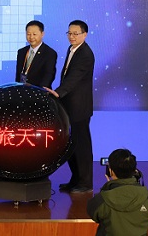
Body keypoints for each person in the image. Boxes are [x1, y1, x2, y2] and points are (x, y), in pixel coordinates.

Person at [45, 19, 95, 193]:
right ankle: (75, 180)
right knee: (71, 145)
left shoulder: (86, 54)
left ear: (84, 34)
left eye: (76, 34)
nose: (72, 36)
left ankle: (85, 183)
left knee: (81, 147)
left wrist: (58, 92)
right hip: (70, 107)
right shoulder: (72, 49)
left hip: (79, 108)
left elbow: (74, 78)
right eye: (69, 33)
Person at [87, 149, 148, 236]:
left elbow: (93, 213)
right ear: (135, 171)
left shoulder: (100, 200)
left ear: (111, 171)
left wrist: (108, 188)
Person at [15, 20, 58, 88]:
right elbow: (18, 75)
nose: (31, 37)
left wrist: (38, 91)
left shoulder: (49, 53)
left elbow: (48, 76)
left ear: (42, 34)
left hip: (39, 91)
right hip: (22, 90)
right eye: (28, 34)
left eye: (34, 34)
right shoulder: (21, 52)